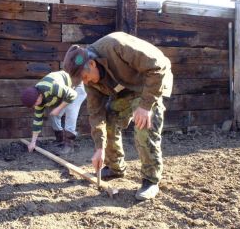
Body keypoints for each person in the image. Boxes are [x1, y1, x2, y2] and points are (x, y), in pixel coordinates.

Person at [63, 31, 173, 200]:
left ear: (91, 64)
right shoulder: (90, 83)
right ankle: (115, 167)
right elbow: (96, 114)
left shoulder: (116, 45)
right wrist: (99, 148)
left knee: (143, 123)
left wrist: (145, 105)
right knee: (109, 118)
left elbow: (157, 67)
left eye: (85, 77)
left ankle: (151, 180)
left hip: (151, 81)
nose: (86, 83)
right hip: (126, 89)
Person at [20, 70, 87, 155]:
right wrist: (33, 142)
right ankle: (60, 140)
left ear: (40, 95)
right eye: (33, 105)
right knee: (54, 115)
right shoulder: (36, 99)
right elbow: (37, 121)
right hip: (65, 90)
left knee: (71, 110)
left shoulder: (51, 87)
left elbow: (72, 94)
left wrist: (58, 108)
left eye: (35, 103)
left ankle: (69, 145)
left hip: (76, 86)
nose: (35, 106)